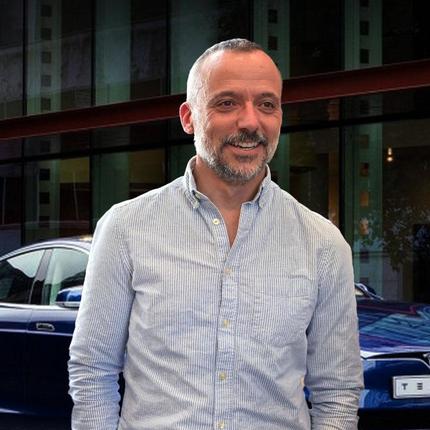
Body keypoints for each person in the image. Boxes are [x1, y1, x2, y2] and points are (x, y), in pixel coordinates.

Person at [68, 38, 363, 430]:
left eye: (266, 104)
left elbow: (338, 392)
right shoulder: (126, 229)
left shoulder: (323, 244)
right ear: (188, 118)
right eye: (227, 103)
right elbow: (93, 371)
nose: (250, 122)